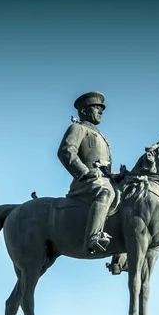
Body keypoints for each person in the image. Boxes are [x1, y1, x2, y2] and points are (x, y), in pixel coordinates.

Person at [57, 91, 120, 254]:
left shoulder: (102, 137)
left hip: (104, 179)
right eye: (96, 108)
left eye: (102, 109)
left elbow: (105, 166)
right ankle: (93, 237)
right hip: (87, 182)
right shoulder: (77, 128)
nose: (100, 112)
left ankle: (121, 256)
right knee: (104, 191)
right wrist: (85, 172)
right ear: (84, 111)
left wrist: (117, 175)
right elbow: (66, 152)